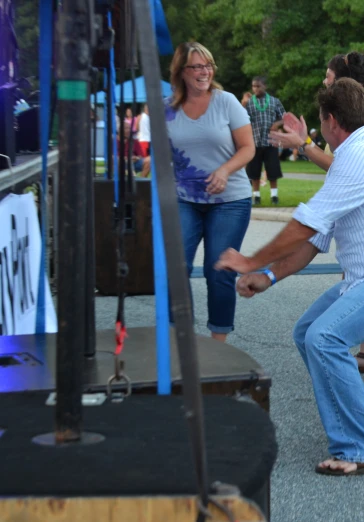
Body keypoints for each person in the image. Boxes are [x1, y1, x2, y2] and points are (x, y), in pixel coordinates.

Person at [216, 78, 364, 476]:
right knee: (307, 331)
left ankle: (361, 450)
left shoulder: (361, 159)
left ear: (332, 121)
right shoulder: (360, 155)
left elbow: (304, 226)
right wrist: (268, 274)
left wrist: (250, 260)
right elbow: (316, 239)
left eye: (320, 123)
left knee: (326, 337)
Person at [270, 51, 364, 387]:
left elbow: (340, 167)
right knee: (360, 280)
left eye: (329, 77)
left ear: (345, 80)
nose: (325, 82)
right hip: (362, 210)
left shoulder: (362, 116)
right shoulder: (356, 112)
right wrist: (307, 142)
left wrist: (302, 146)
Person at [165, 42, 255, 342]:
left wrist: (224, 170)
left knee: (218, 270)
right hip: (184, 199)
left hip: (229, 201)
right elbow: (166, 154)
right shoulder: (167, 108)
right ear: (181, 71)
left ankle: (219, 345)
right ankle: (182, 342)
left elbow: (248, 148)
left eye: (208, 66)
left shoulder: (226, 101)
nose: (204, 72)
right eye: (197, 67)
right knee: (175, 268)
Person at [246, 76, 285, 205]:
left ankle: (274, 196)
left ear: (265, 86)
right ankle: (256, 196)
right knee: (254, 171)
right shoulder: (249, 102)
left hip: (270, 142)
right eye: (253, 86)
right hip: (255, 142)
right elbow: (241, 119)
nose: (255, 89)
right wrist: (242, 104)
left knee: (272, 170)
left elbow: (284, 118)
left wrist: (277, 124)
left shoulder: (274, 101)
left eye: (258, 86)